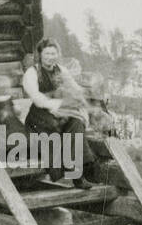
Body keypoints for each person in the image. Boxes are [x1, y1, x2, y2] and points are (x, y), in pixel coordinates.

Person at [21, 39, 96, 185]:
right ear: (40, 55)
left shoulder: (62, 70)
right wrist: (57, 106)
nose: (51, 57)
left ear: (58, 54)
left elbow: (74, 89)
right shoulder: (32, 73)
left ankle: (78, 174)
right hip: (40, 117)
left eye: (53, 53)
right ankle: (61, 169)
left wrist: (83, 97)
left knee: (76, 123)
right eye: (47, 53)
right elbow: (37, 98)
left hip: (60, 111)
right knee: (53, 127)